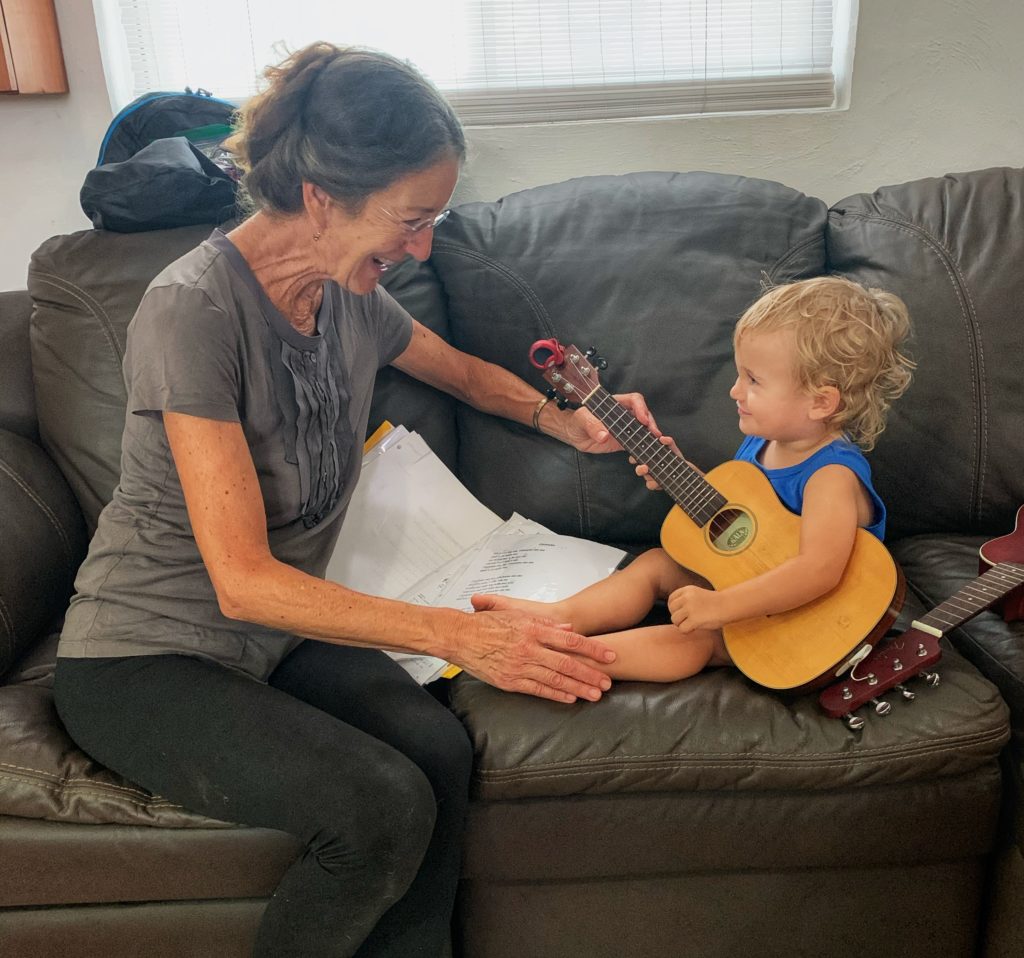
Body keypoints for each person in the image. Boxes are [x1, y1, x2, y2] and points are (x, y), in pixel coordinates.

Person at [52, 42, 658, 958]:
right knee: (379, 809)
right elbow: (243, 583)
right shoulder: (194, 312)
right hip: (146, 656)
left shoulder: (349, 297)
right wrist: (462, 635)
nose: (422, 247)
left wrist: (568, 419)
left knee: (441, 754)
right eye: (410, 221)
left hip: (276, 640)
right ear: (321, 197)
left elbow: (460, 373)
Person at [473, 276, 914, 682]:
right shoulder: (765, 442)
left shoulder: (831, 475)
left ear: (820, 402)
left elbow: (817, 571)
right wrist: (679, 474)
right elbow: (750, 514)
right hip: (746, 585)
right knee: (654, 565)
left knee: (700, 637)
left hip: (809, 620)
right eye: (739, 374)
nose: (735, 391)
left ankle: (573, 658)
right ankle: (558, 616)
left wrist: (720, 606)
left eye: (754, 381)